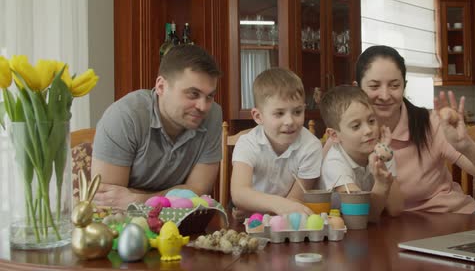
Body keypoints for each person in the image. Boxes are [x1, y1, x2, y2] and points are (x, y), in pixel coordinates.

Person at [355, 45, 475, 214]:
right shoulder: (346, 133)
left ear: (404, 86)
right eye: (374, 86)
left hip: (457, 218)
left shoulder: (430, 124)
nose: (385, 95)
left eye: (394, 85)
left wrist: (466, 145)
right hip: (398, 231)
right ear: (357, 88)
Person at [92, 45, 223, 209]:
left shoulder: (213, 115)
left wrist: (137, 199)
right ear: (161, 87)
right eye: (193, 94)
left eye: (209, 96)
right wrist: (178, 194)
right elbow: (109, 202)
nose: (203, 106)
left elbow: (197, 190)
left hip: (178, 224)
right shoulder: (125, 116)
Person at [230, 68, 322, 216]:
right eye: (279, 113)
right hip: (252, 221)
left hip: (284, 219)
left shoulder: (311, 146)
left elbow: (295, 200)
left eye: (297, 112)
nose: (290, 121)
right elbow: (239, 193)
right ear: (258, 116)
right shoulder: (248, 143)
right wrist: (276, 205)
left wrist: (257, 207)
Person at [319, 85, 403, 221]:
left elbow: (396, 209)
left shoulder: (381, 151)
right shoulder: (335, 163)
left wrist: (382, 163)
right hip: (338, 231)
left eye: (371, 121)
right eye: (356, 126)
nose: (368, 130)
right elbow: (363, 215)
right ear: (334, 135)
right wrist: (381, 184)